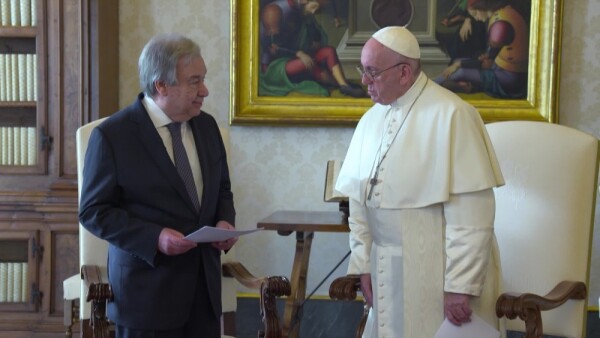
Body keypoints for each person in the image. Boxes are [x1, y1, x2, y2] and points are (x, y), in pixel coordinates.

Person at [335, 26, 505, 337]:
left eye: (372, 72)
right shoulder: (370, 120)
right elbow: (359, 204)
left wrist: (460, 286)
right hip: (386, 270)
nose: (363, 81)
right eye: (363, 69)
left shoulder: (453, 115)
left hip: (437, 274)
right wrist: (362, 265)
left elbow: (472, 216)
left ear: (403, 73)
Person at [78, 33, 237, 338]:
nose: (204, 90)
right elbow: (94, 211)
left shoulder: (207, 127)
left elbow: (223, 189)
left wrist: (225, 221)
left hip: (204, 296)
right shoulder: (113, 136)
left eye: (203, 79)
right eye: (194, 81)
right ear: (161, 85)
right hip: (146, 296)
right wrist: (154, 238)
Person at [259, 0, 365, 97]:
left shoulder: (303, 12)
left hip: (298, 57)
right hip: (277, 67)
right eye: (313, 6)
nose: (315, 11)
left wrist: (313, 36)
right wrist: (299, 53)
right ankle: (337, 83)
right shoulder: (275, 12)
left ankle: (344, 85)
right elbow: (272, 48)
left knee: (329, 51)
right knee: (307, 63)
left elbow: (315, 37)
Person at [435, 0, 529, 98]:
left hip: (510, 78)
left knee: (460, 71)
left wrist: (458, 65)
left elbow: (486, 63)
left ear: (482, 7)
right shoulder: (502, 13)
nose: (476, 18)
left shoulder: (500, 26)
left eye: (475, 14)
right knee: (458, 61)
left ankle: (429, 86)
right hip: (500, 67)